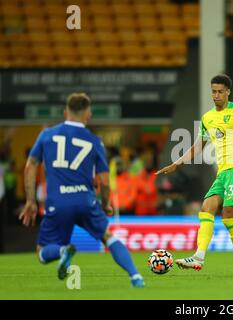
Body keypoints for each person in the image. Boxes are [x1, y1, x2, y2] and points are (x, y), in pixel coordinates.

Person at [18, 93, 145, 287]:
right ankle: (136, 277)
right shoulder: (95, 141)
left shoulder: (46, 135)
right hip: (85, 200)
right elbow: (103, 179)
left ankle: (62, 252)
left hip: (58, 202)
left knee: (42, 251)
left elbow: (31, 165)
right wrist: (105, 204)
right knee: (108, 238)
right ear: (88, 114)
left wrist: (30, 200)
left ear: (65, 112)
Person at [156, 74, 233, 275]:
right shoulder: (208, 118)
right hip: (223, 172)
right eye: (214, 91)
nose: (216, 95)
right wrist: (176, 163)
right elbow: (198, 146)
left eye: (220, 91)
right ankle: (198, 257)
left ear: (228, 91)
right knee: (206, 207)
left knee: (228, 215)